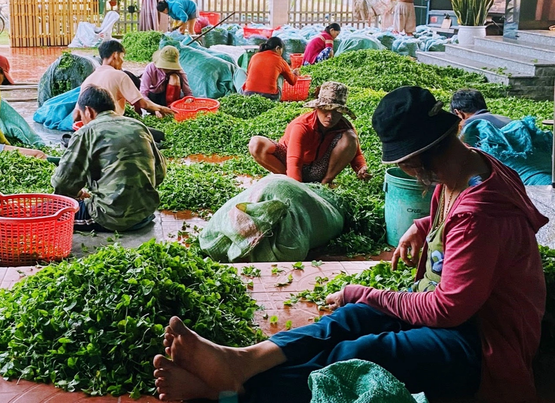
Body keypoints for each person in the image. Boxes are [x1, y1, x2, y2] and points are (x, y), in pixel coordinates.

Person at [152, 86, 547, 403]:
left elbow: (447, 308)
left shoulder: (480, 214)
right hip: (458, 318)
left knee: (370, 351)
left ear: (415, 161)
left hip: (484, 344)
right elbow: (466, 226)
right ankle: (241, 360)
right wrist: (426, 225)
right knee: (349, 319)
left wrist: (368, 292)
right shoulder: (473, 163)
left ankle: (233, 393)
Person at [51, 86, 166, 232]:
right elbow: (160, 172)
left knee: (47, 211)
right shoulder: (138, 126)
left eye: (82, 114)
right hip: (145, 213)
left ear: (88, 111)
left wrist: (80, 194)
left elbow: (62, 184)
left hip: (110, 218)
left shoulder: (87, 132)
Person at [248, 81, 370, 184]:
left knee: (350, 137)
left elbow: (356, 154)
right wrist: (298, 188)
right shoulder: (302, 126)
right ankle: (289, 182)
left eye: (336, 111)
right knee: (256, 144)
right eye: (325, 110)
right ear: (317, 108)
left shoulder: (344, 126)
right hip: (287, 165)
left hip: (318, 168)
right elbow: (294, 162)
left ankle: (325, 183)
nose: (330, 116)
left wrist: (361, 168)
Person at [77, 40, 175, 144]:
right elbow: (142, 103)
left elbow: (76, 114)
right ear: (115, 55)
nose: (123, 61)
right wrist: (162, 108)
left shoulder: (88, 79)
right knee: (159, 136)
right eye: (122, 56)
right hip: (111, 128)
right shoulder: (120, 75)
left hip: (90, 131)